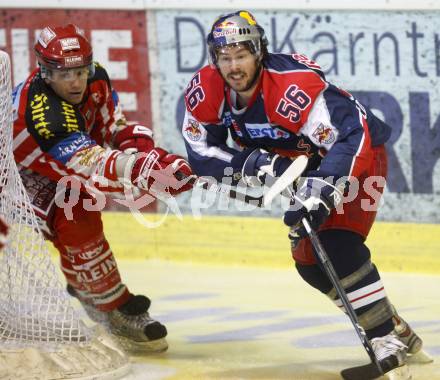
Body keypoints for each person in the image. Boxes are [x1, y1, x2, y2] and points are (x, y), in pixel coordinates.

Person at [181, 10, 427, 378]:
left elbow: (353, 134)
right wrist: (253, 165)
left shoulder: (290, 87)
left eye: (242, 55)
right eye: (225, 57)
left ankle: (386, 340)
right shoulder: (206, 90)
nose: (233, 66)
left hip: (356, 156)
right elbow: (201, 153)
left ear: (259, 51)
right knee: (310, 265)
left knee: (337, 245)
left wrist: (324, 188)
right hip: (303, 167)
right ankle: (395, 329)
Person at [12, 24, 193, 353]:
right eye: (64, 74)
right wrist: (145, 169)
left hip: (62, 164)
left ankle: (87, 287)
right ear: (45, 72)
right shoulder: (43, 111)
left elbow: (113, 126)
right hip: (18, 174)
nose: (76, 82)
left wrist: (142, 153)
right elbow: (91, 163)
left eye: (81, 71)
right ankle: (113, 306)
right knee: (78, 210)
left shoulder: (96, 78)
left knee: (79, 211)